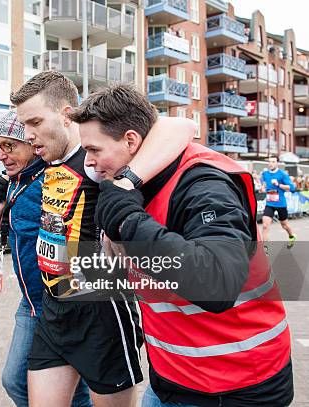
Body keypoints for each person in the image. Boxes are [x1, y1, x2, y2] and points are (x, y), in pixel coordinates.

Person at [79, 84, 293, 407]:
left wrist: (128, 222)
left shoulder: (204, 185)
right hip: (176, 378)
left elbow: (217, 282)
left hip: (237, 385)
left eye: (95, 150)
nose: (90, 163)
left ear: (131, 141)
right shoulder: (135, 184)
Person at [7, 71, 195, 407]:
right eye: (25, 124)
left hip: (100, 307)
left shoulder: (94, 159)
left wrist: (129, 181)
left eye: (35, 122)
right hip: (55, 306)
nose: (28, 134)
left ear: (67, 116)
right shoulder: (47, 156)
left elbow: (182, 127)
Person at [0, 110, 92, 407]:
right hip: (30, 301)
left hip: (60, 300)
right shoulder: (18, 178)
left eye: (9, 146)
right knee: (41, 384)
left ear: (32, 143)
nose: (2, 155)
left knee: (19, 380)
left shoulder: (54, 176)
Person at [261, 156, 296, 246]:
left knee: (284, 225)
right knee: (265, 225)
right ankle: (265, 249)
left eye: (273, 162)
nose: (271, 164)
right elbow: (264, 184)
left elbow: (292, 188)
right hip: (269, 203)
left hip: (280, 203)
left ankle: (291, 236)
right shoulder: (265, 174)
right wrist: (263, 187)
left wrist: (278, 184)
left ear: (277, 163)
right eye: (269, 162)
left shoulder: (282, 174)